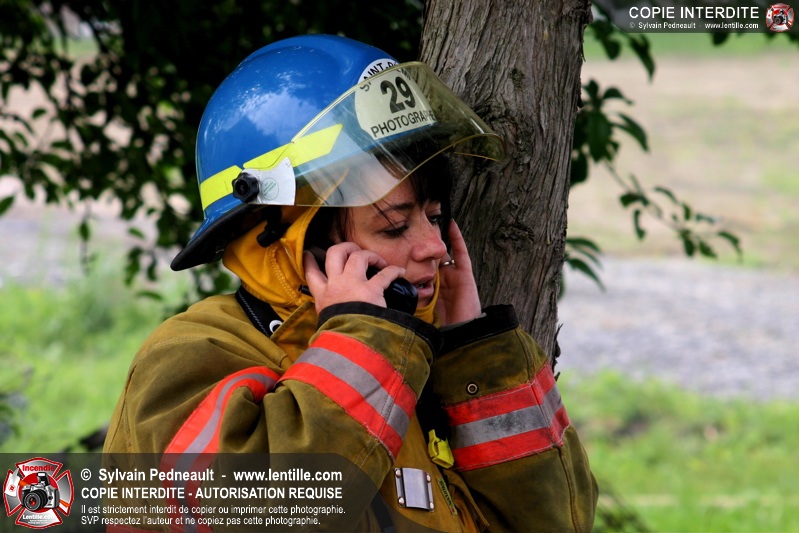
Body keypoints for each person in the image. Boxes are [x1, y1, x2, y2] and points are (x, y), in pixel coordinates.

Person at [103, 34, 598, 532]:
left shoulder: (415, 360)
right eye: (394, 226)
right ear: (293, 242)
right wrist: (360, 340)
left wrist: (473, 353)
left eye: (434, 217)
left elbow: (560, 524)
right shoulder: (192, 355)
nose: (435, 247)